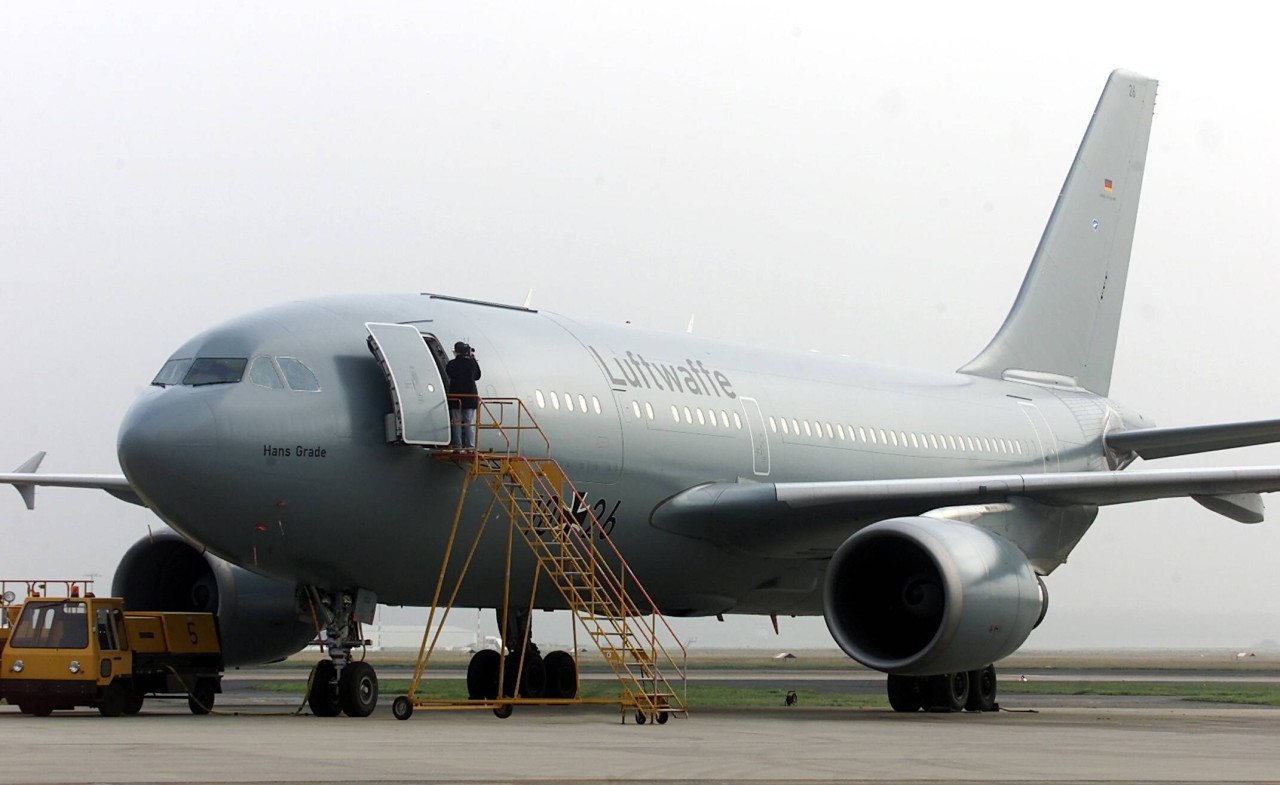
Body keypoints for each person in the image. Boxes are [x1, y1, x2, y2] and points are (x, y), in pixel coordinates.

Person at [445, 341, 482, 448]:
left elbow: (450, 373)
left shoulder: (451, 364)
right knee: (468, 423)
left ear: (456, 351)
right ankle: (470, 445)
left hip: (455, 397)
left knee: (456, 422)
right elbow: (477, 376)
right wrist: (473, 359)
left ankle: (457, 444)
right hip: (470, 398)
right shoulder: (471, 363)